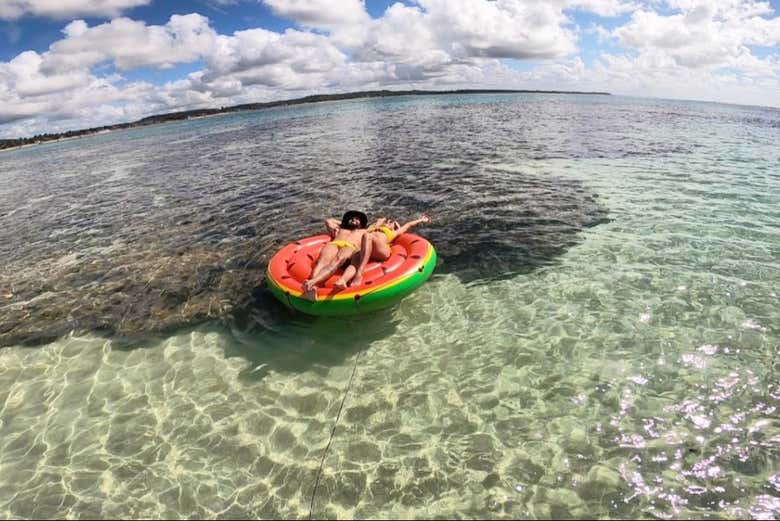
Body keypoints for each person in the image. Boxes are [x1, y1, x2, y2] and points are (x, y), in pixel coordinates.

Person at [335, 214, 431, 288]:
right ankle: (342, 280)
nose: (389, 223)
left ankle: (359, 275)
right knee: (355, 260)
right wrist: (380, 221)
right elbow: (376, 222)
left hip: (381, 250)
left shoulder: (394, 232)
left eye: (392, 223)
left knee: (368, 236)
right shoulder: (372, 228)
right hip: (367, 248)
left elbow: (408, 225)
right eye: (388, 221)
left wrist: (421, 220)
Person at [302, 210, 368, 301]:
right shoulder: (341, 229)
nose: (353, 220)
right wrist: (344, 223)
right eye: (351, 219)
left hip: (350, 246)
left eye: (357, 219)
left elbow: (377, 231)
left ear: (362, 223)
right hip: (335, 243)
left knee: (337, 260)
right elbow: (328, 221)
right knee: (321, 262)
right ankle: (312, 288)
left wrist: (356, 224)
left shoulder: (365, 231)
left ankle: (311, 283)